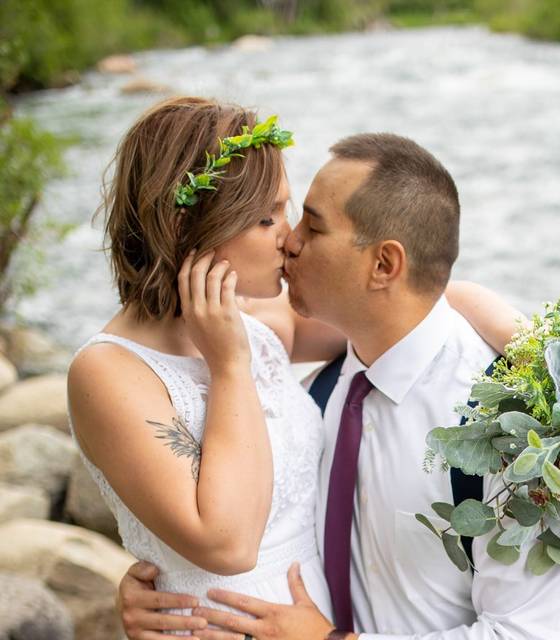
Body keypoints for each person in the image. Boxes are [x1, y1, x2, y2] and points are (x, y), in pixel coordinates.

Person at [118, 133, 560, 640]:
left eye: (312, 226)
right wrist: (170, 588)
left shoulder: (517, 435)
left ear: (384, 265)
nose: (289, 240)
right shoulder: (312, 396)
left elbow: (537, 634)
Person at [68, 97, 520, 635]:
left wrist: (542, 359)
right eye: (266, 217)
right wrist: (230, 367)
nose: (288, 237)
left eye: (289, 210)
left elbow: (402, 306)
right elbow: (229, 543)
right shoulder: (108, 373)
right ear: (189, 226)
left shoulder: (261, 327)